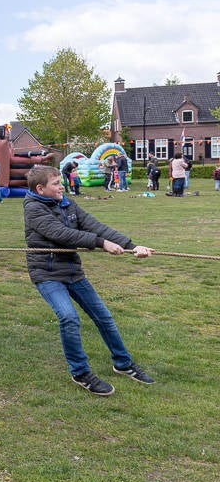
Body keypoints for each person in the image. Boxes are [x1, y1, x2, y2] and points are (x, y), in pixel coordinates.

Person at [24, 165, 155, 396]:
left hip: (72, 270)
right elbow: (61, 234)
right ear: (40, 188)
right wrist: (101, 243)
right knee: (68, 317)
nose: (61, 186)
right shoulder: (33, 208)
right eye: (56, 184)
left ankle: (123, 364)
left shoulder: (67, 203)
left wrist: (132, 246)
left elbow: (94, 225)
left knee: (103, 316)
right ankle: (80, 372)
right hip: (47, 273)